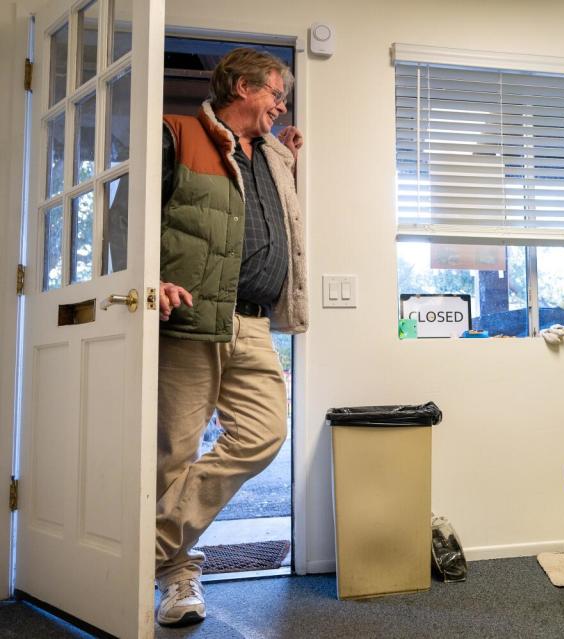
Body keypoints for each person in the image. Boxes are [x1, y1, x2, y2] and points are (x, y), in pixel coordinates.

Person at [154, 47, 308, 627]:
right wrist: (152, 279)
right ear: (242, 87)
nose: (281, 104)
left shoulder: (272, 155)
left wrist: (288, 156)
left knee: (265, 434)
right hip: (191, 317)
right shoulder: (178, 133)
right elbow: (130, 215)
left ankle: (147, 543)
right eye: (274, 92)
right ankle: (178, 580)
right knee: (175, 451)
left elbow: (281, 225)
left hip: (253, 319)